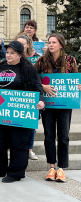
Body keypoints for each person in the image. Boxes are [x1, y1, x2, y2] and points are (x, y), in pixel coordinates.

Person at [0, 41, 45, 183]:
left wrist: (41, 101)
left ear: (19, 55)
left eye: (12, 53)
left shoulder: (28, 69)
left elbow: (37, 89)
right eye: (7, 52)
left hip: (20, 113)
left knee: (18, 143)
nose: (8, 55)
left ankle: (16, 173)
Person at [34, 33, 80, 182]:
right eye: (49, 42)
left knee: (64, 136)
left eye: (54, 42)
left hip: (65, 104)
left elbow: (75, 79)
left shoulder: (70, 60)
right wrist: (43, 86)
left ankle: (61, 168)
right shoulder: (41, 61)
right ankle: (52, 166)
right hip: (48, 104)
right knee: (48, 136)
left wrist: (79, 85)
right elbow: (32, 79)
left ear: (61, 44)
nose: (51, 45)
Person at [14, 34, 40, 160]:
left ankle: (29, 150)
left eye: (23, 44)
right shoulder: (11, 58)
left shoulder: (35, 59)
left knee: (31, 125)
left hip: (29, 96)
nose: (20, 46)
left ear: (28, 45)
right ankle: (10, 149)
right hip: (14, 97)